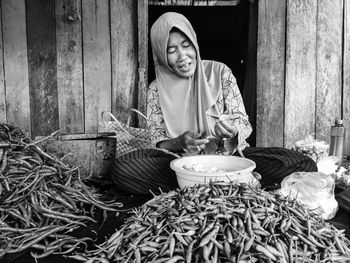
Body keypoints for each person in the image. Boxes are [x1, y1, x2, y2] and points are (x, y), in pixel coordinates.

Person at [146, 12, 317, 189]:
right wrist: (179, 142)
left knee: (302, 163)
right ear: (161, 54)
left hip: (232, 158)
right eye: (171, 51)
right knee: (125, 168)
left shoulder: (220, 73)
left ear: (194, 44)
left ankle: (201, 184)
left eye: (186, 45)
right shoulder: (155, 89)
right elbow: (157, 140)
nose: (182, 56)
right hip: (182, 164)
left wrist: (232, 133)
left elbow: (241, 121)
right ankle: (232, 183)